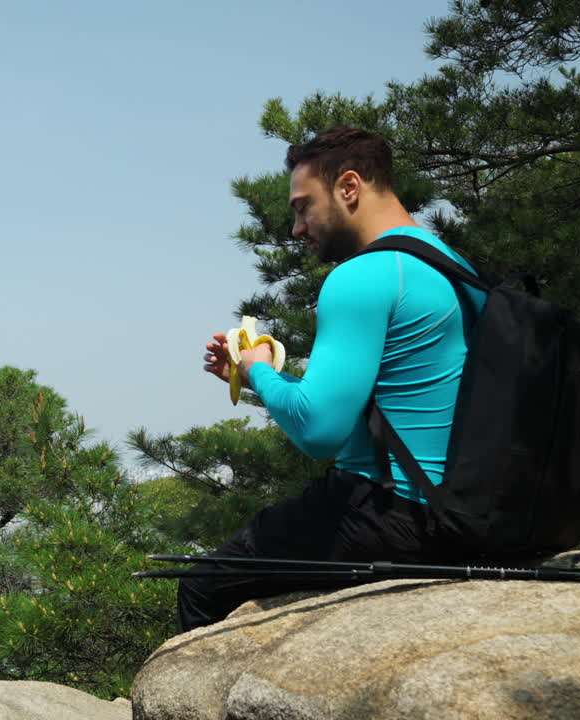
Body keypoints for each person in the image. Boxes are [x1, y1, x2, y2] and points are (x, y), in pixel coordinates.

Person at [180, 125, 487, 632]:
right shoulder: (454, 267)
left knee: (201, 585)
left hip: (389, 515)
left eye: (303, 206)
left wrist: (255, 364)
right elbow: (386, 404)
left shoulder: (361, 275)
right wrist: (264, 381)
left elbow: (319, 431)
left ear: (348, 188)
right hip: (462, 510)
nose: (297, 228)